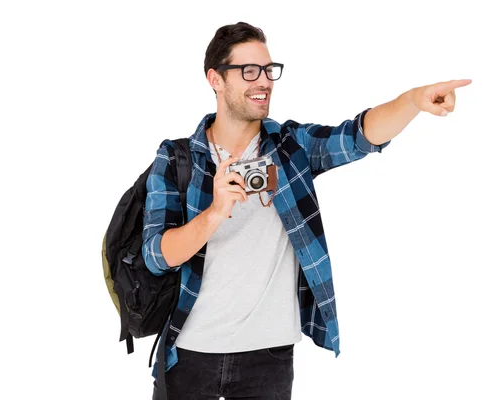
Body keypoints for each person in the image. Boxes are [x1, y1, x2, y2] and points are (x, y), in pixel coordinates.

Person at [142, 21, 471, 400]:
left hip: (269, 357)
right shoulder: (178, 156)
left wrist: (412, 101)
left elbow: (358, 137)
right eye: (248, 71)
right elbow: (157, 256)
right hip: (189, 353)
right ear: (215, 79)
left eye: (268, 70)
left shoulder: (291, 146)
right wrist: (215, 212)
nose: (263, 81)